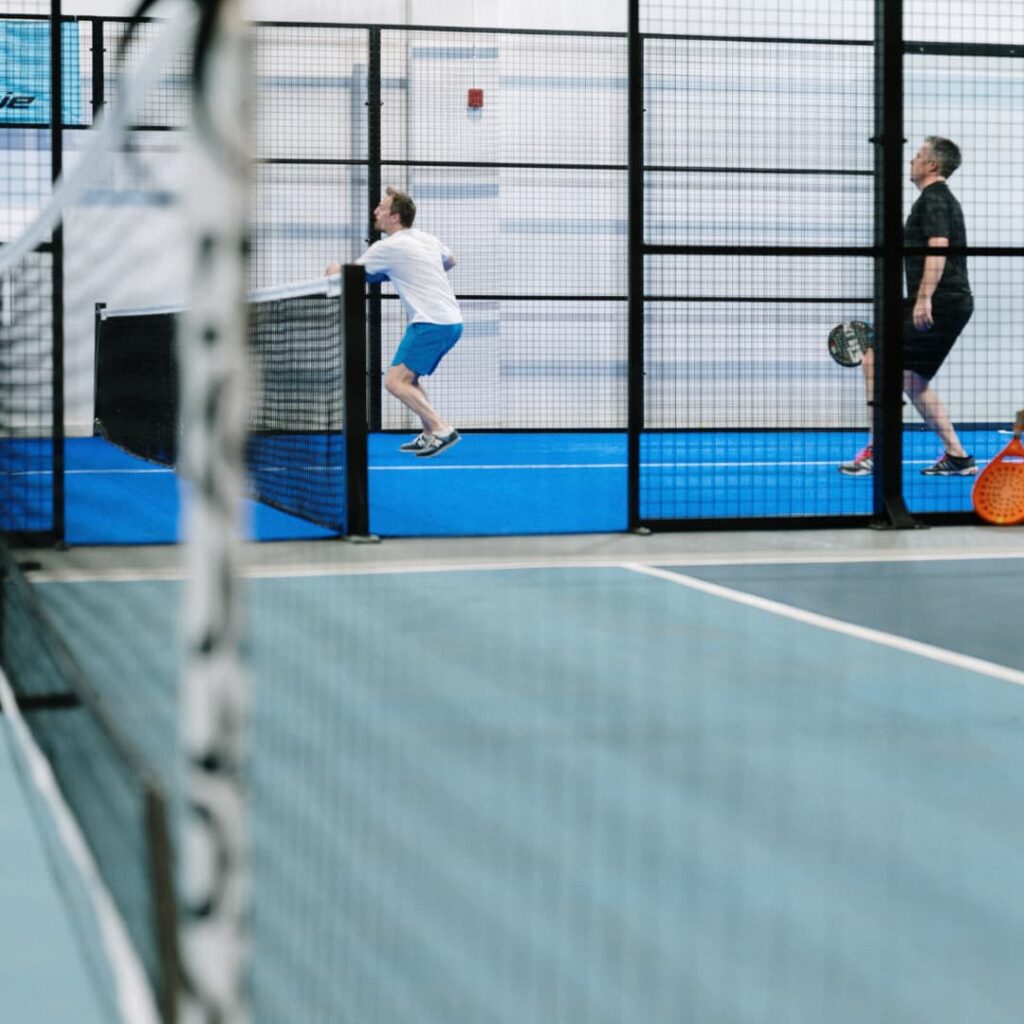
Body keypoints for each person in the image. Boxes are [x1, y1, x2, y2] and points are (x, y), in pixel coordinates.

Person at [840, 136, 976, 477]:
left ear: (932, 165)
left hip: (940, 302)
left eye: (917, 156)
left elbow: (939, 247)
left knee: (874, 359)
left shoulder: (935, 199)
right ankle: (958, 456)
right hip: (942, 301)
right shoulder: (934, 199)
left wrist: (924, 297)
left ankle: (879, 449)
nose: (911, 161)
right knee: (910, 380)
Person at [327, 187, 463, 457]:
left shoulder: (388, 247)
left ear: (395, 217)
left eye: (381, 207)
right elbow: (451, 260)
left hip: (430, 323)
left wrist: (331, 269)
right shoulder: (426, 239)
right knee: (408, 378)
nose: (375, 211)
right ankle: (428, 432)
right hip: (450, 321)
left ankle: (440, 428)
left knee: (394, 382)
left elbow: (347, 274)